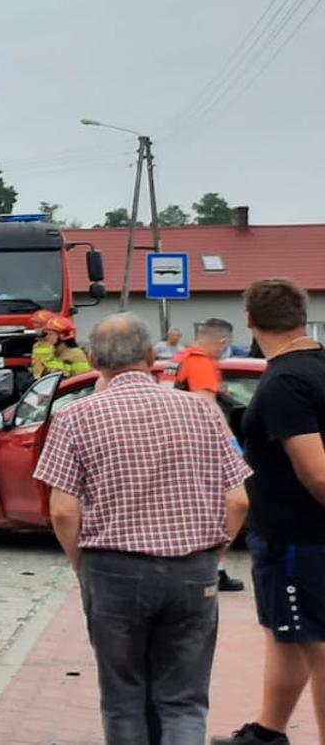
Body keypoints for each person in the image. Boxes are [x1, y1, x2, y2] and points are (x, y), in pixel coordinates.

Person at [33, 313, 251, 745]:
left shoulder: (76, 418)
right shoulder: (201, 412)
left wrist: (84, 567)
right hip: (192, 572)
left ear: (94, 360)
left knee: (123, 699)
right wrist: (215, 556)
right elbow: (239, 499)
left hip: (113, 571)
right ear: (153, 357)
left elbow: (62, 512)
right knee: (184, 701)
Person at [214, 279, 325, 745]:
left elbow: (316, 473)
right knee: (288, 636)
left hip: (300, 538)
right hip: (294, 537)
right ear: (302, 313)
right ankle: (268, 732)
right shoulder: (314, 368)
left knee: (317, 649)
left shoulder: (284, 382)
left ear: (251, 321)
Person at [163, 319, 249, 592]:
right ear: (223, 342)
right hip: (198, 446)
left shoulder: (177, 360)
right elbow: (207, 405)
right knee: (230, 504)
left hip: (173, 444)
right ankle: (213, 567)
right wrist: (233, 445)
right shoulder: (200, 362)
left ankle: (200, 567)